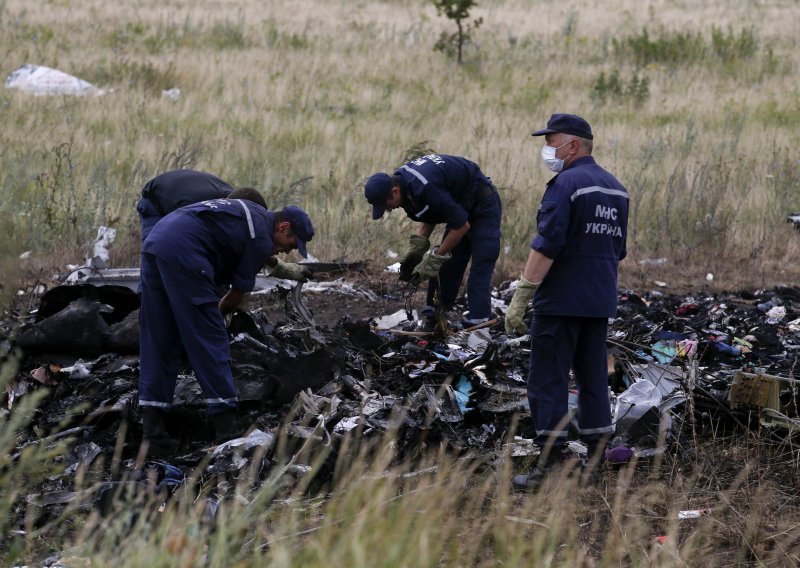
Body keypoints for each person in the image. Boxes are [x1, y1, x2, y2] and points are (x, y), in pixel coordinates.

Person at [505, 113, 629, 491]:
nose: (547, 148)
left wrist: (523, 292)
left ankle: (546, 467)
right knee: (593, 379)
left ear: (573, 145)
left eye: (551, 140)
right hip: (598, 301)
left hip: (560, 302)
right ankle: (595, 461)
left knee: (548, 379)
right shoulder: (616, 189)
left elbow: (548, 243)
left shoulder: (567, 185)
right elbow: (618, 250)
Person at [137, 194, 315, 455]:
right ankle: (226, 428)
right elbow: (233, 298)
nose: (286, 251)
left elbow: (248, 246)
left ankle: (153, 434)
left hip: (156, 241)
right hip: (185, 251)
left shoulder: (254, 215)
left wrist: (281, 267)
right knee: (210, 338)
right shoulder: (261, 238)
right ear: (283, 227)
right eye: (290, 244)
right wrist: (215, 316)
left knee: (160, 339)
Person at [364, 153, 502, 329]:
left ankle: (479, 322)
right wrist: (416, 251)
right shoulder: (404, 181)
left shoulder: (424, 186)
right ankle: (433, 316)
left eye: (387, 205)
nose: (389, 210)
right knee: (449, 264)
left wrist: (434, 258)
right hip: (459, 207)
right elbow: (429, 211)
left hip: (483, 203)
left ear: (395, 191)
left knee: (481, 263)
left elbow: (461, 226)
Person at [137, 169, 234, 241]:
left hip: (176, 187)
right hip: (153, 200)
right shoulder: (194, 207)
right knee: (154, 244)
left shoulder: (229, 192)